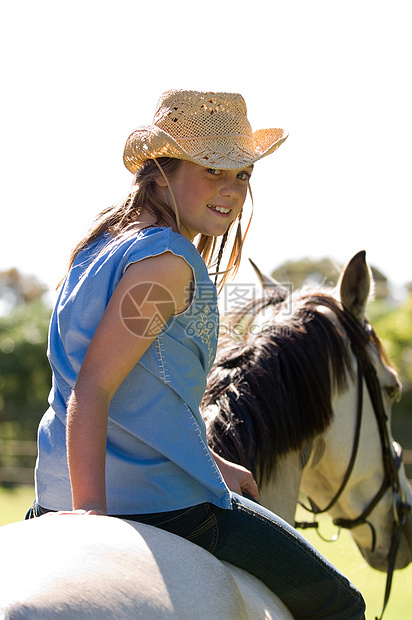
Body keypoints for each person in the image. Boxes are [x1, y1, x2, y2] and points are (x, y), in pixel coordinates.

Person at [26, 89, 365, 619]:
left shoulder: (102, 245)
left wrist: (208, 461)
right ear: (161, 169)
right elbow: (94, 386)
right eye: (213, 169)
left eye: (243, 175)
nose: (231, 190)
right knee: (339, 604)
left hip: (53, 486)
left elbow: (146, 390)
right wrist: (91, 515)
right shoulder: (167, 263)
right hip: (151, 502)